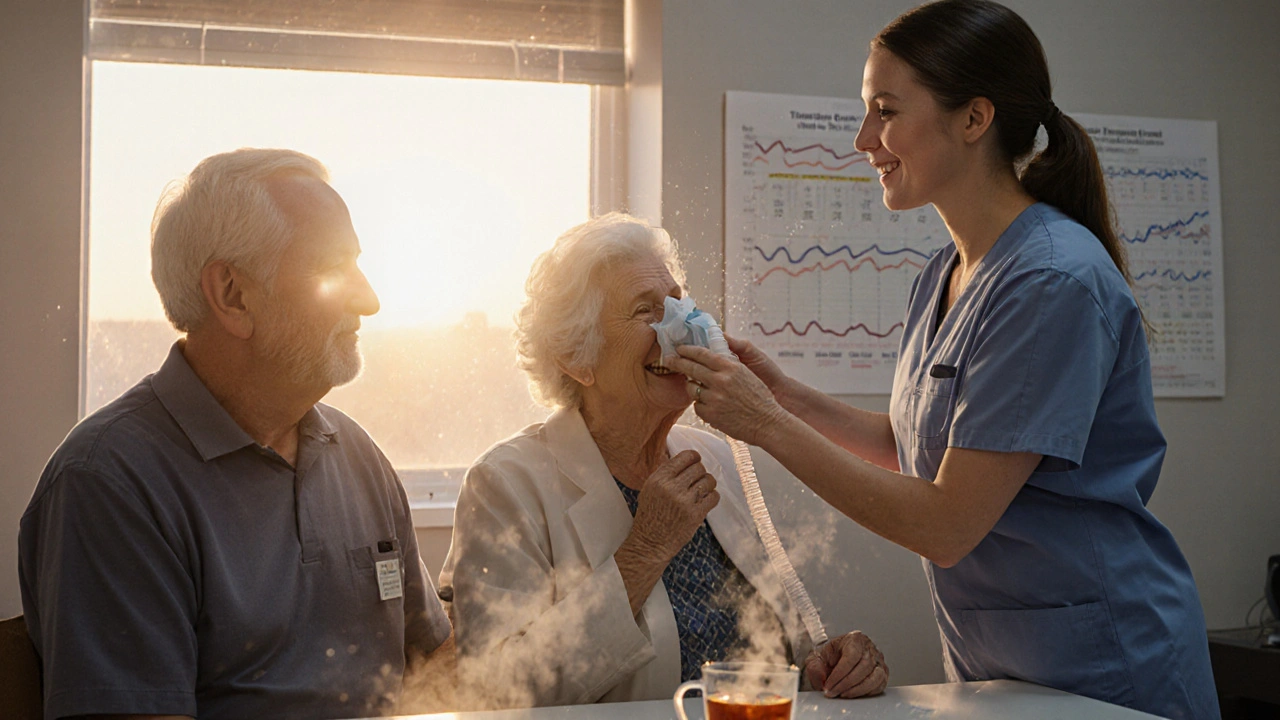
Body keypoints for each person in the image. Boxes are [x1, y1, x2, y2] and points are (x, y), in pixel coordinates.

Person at [666, 2, 1219, 719]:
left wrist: (767, 423)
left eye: (886, 112)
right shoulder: (948, 272)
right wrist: (787, 395)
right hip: (1003, 674)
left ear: (973, 119)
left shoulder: (1050, 281)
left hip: (1108, 670)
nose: (865, 139)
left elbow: (946, 524)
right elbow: (916, 446)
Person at [18, 149, 454, 720]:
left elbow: (438, 668)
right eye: (333, 268)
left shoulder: (357, 456)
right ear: (232, 295)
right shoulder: (109, 485)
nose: (369, 299)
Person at [438, 213, 888, 709]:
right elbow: (497, 692)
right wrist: (645, 548)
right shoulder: (505, 484)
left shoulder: (715, 455)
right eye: (645, 311)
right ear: (576, 357)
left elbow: (763, 647)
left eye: (679, 302)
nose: (681, 326)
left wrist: (824, 662)